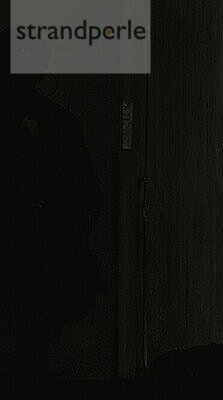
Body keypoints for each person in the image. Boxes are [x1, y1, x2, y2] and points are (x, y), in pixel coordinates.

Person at [0, 28, 105, 381]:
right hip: (36, 246)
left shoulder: (55, 123)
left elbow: (86, 192)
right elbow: (87, 194)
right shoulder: (55, 121)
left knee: (32, 339)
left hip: (40, 249)